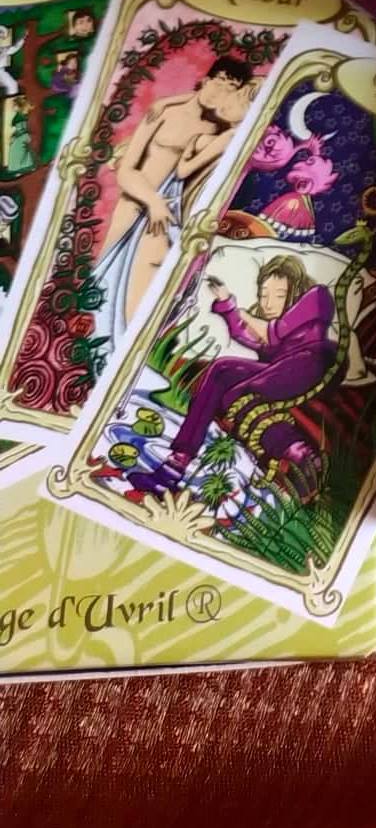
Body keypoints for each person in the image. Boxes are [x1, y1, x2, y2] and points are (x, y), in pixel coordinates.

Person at [128, 255, 335, 497]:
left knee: (224, 376)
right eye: (263, 295)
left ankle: (178, 463)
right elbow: (249, 338)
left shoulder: (317, 296)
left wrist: (243, 314)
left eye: (279, 295)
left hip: (308, 365)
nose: (268, 303)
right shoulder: (272, 326)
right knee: (224, 380)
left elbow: (275, 333)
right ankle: (176, 465)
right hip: (278, 373)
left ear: (296, 290)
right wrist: (227, 303)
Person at [91, 56, 256, 357]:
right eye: (219, 82)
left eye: (231, 88)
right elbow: (126, 170)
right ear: (207, 79)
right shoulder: (164, 112)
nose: (221, 92)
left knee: (146, 292)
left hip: (169, 216)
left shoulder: (217, 129)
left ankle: (124, 358)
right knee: (105, 291)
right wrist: (152, 200)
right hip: (135, 206)